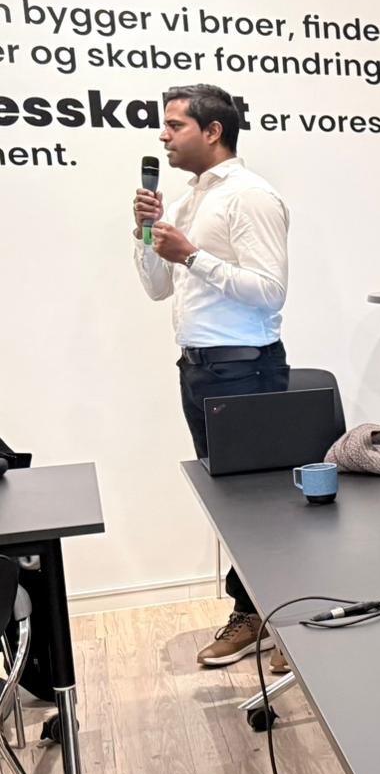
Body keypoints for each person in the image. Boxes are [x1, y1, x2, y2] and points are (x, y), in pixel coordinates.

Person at [133, 84, 292, 670]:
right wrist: (146, 233)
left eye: (175, 125)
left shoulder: (250, 197)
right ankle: (266, 615)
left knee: (260, 505)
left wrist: (193, 254)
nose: (163, 136)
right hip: (198, 368)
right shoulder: (185, 202)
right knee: (232, 502)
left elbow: (270, 291)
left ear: (213, 131)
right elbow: (157, 287)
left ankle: (278, 618)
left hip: (244, 369)